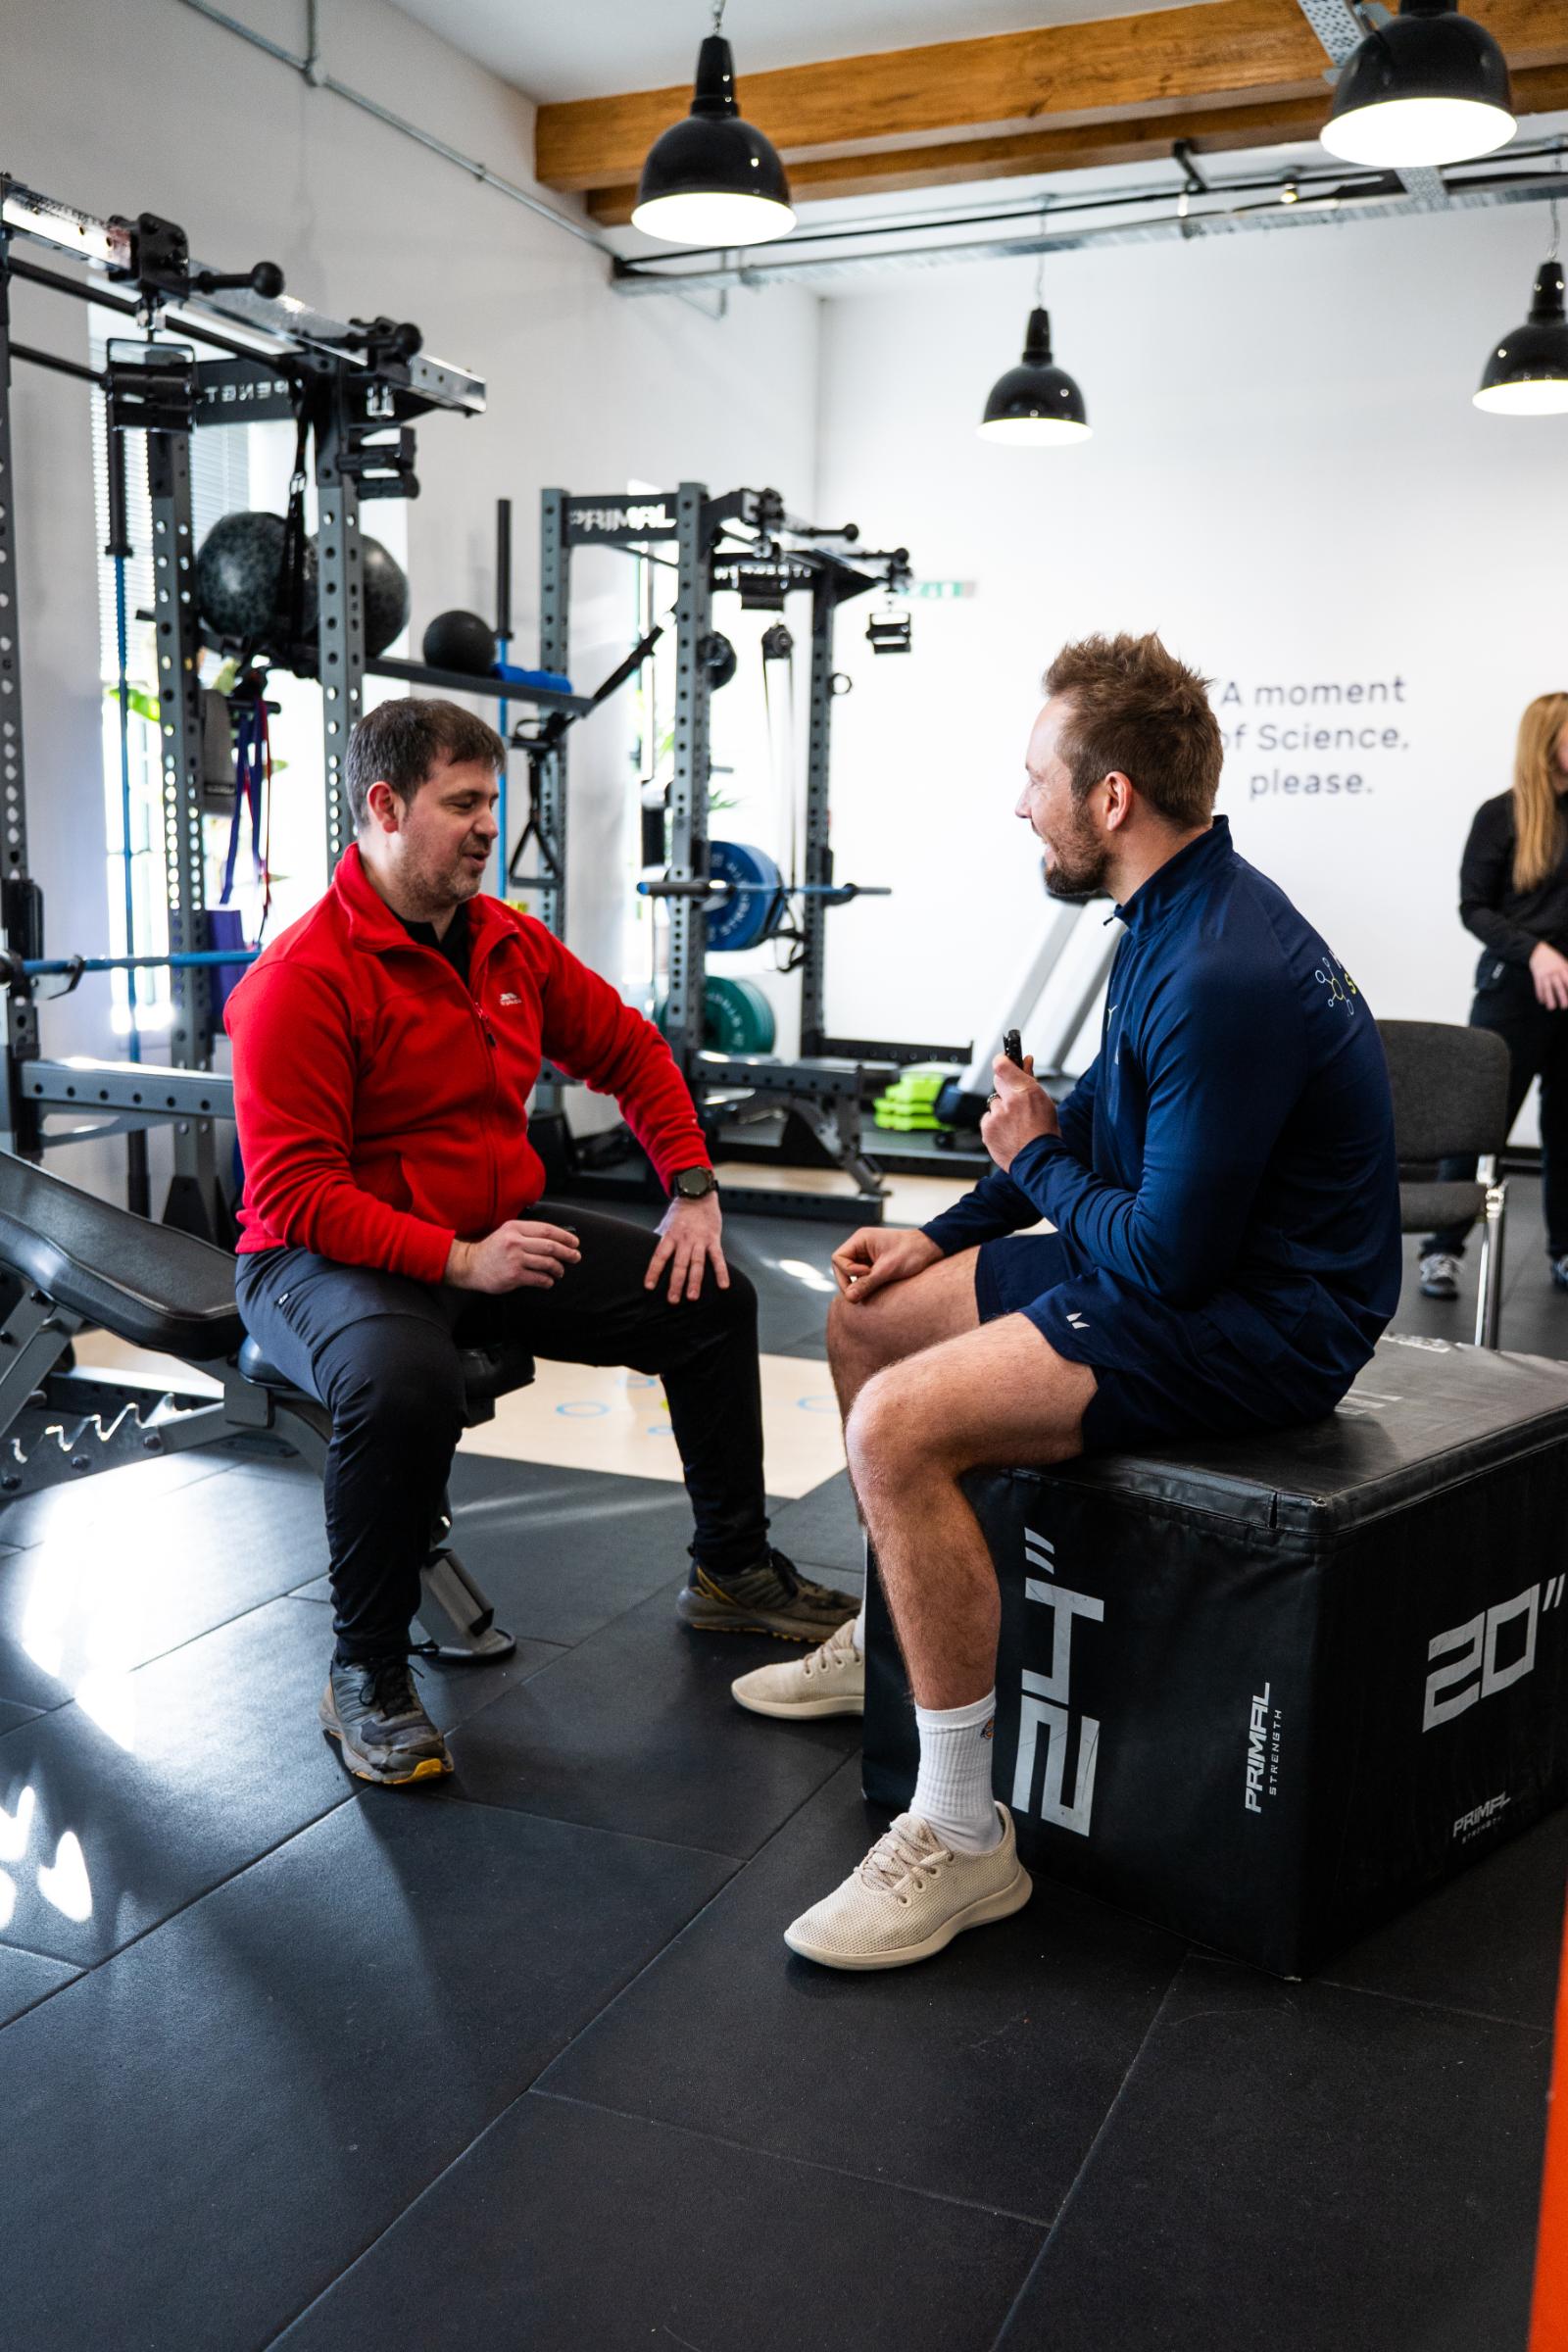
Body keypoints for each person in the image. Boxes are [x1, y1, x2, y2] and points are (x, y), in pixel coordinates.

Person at [732, 631, 1402, 1971]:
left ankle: (964, 1833)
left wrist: (1030, 1158)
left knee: (894, 1429)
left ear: (1110, 799)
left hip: (1265, 1324)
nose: (1018, 801)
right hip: (1184, 1264)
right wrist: (943, 1236)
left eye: (1036, 774)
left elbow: (1157, 1259)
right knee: (866, 1318)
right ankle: (892, 1626)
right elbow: (1091, 1125)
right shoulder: (1165, 917)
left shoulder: (1222, 967)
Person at [226, 697, 853, 1786]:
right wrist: (460, 1263)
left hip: (485, 1237)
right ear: (384, 807)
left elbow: (632, 1050)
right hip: (320, 1258)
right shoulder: (302, 980)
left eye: (491, 803)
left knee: (705, 1297)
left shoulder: (507, 943)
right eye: (462, 803)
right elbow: (295, 1190)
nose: (485, 826)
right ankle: (366, 1672)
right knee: (401, 1381)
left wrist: (692, 1190)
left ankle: (731, 1571)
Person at [1419, 692, 1568, 1301]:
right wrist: (1534, 951)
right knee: (1478, 1128)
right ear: (1548, 740)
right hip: (1512, 994)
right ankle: (1441, 1252)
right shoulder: (1501, 815)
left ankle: (1564, 1252)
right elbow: (1472, 906)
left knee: (1566, 1130)